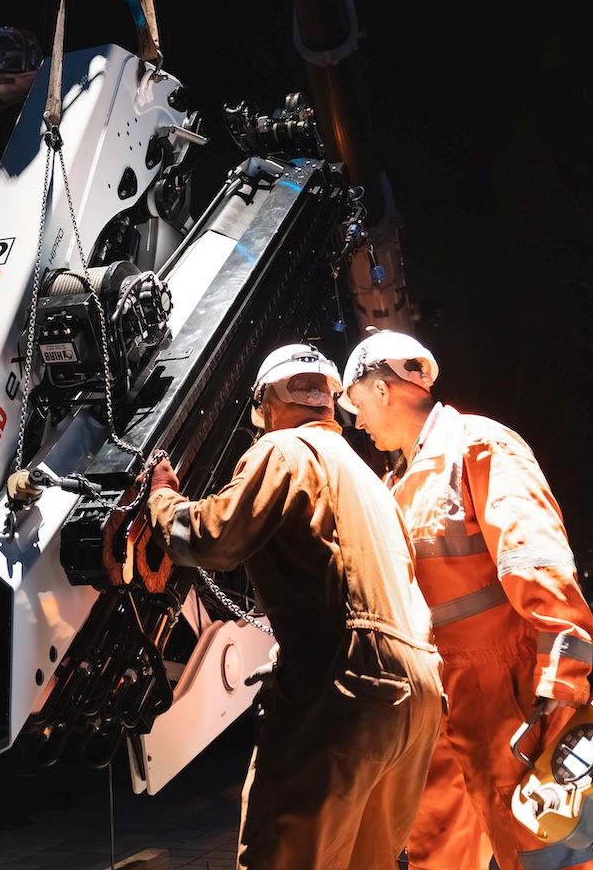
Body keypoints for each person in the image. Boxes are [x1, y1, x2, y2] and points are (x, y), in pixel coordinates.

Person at [147, 343, 444, 870]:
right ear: (330, 401)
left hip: (346, 692)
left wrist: (164, 502)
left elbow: (213, 537)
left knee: (281, 856)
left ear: (268, 403)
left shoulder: (285, 450)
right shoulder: (374, 485)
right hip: (417, 702)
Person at [341, 330, 593, 870]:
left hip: (506, 693)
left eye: (356, 401)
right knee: (437, 853)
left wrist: (561, 682)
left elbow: (535, 558)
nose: (356, 420)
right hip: (437, 696)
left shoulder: (480, 445)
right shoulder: (401, 482)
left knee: (539, 851)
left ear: (382, 388)